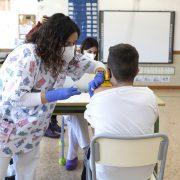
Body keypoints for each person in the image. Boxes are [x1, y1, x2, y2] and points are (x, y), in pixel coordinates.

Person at [0, 13, 105, 180]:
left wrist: (100, 72)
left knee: (27, 173)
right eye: (67, 43)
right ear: (53, 39)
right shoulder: (27, 56)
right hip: (7, 125)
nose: (71, 48)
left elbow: (90, 63)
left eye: (73, 43)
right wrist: (51, 95)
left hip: (32, 130)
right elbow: (17, 98)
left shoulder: (60, 57)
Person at [82, 43, 159, 180]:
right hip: (143, 173)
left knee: (90, 151)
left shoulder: (99, 98)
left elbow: (93, 126)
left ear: (108, 71)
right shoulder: (150, 96)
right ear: (137, 71)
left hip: (106, 174)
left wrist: (98, 94)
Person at [64, 37, 99, 171]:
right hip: (71, 101)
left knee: (75, 118)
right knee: (74, 115)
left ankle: (72, 155)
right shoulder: (72, 65)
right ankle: (87, 149)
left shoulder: (98, 67)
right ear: (81, 50)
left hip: (89, 105)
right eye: (89, 51)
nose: (92, 54)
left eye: (95, 52)